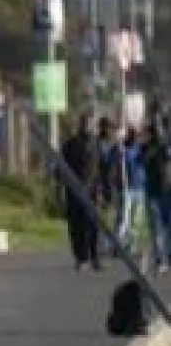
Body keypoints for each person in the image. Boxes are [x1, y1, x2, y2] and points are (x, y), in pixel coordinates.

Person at [61, 114, 103, 271]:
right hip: (74, 191)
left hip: (92, 190)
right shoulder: (70, 145)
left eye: (92, 125)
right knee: (77, 225)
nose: (89, 128)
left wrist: (101, 190)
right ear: (81, 125)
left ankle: (94, 257)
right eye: (86, 124)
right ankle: (81, 258)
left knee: (94, 225)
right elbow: (61, 169)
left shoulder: (94, 144)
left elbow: (99, 168)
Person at [144, 122, 170, 274]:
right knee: (152, 228)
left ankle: (163, 259)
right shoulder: (147, 150)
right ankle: (157, 256)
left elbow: (165, 171)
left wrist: (164, 190)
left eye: (146, 134)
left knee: (160, 227)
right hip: (149, 191)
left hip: (158, 193)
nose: (143, 137)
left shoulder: (159, 150)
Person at [120, 126, 147, 257]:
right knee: (126, 218)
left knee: (137, 219)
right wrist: (125, 184)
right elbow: (124, 169)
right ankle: (121, 242)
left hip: (140, 188)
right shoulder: (126, 151)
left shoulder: (140, 149)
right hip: (130, 188)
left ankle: (133, 245)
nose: (135, 137)